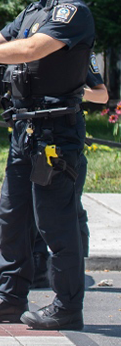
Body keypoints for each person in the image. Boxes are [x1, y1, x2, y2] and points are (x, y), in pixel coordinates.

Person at [0, 0, 94, 331]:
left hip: (56, 132)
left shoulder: (72, 12)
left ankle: (67, 306)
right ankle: (10, 297)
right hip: (25, 129)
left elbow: (31, 50)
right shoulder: (33, 10)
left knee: (56, 222)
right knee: (12, 217)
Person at [32, 61, 107, 287]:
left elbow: (102, 96)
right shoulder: (27, 48)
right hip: (33, 137)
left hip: (66, 140)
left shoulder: (78, 52)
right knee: (33, 207)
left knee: (70, 206)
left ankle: (76, 267)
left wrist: (70, 90)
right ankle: (37, 266)